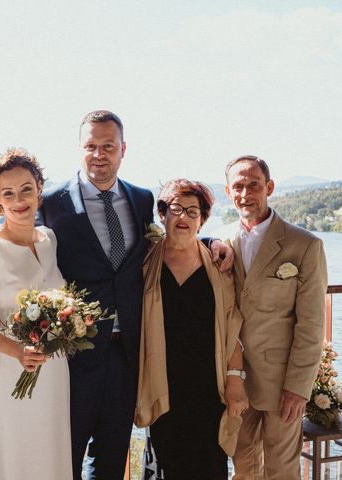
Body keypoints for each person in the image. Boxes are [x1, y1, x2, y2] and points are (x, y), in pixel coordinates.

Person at [38, 110, 234, 479]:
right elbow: (27, 256)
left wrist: (212, 241)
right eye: (91, 146)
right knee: (63, 456)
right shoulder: (50, 203)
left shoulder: (142, 199)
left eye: (107, 146)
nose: (99, 154)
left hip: (129, 353)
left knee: (111, 456)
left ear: (122, 149)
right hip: (74, 356)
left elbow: (169, 238)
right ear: (79, 149)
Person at [0, 148, 72, 480]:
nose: (19, 199)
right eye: (8, 192)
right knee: (12, 456)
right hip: (8, 371)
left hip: (52, 372)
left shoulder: (49, 239)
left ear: (39, 188)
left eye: (26, 188)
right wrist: (17, 351)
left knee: (48, 454)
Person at [220, 155, 327, 479]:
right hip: (235, 379)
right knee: (243, 468)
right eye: (238, 186)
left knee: (282, 470)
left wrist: (299, 386)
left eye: (253, 184)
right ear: (228, 191)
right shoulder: (220, 241)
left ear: (269, 187)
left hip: (282, 382)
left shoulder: (305, 245)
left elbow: (311, 323)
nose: (245, 193)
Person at [135, 179, 248, 479]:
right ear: (163, 215)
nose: (183, 217)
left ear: (202, 219)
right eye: (176, 209)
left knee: (209, 465)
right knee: (165, 465)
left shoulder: (218, 265)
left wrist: (235, 380)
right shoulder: (146, 262)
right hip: (163, 384)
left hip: (208, 388)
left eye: (192, 211)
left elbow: (232, 327)